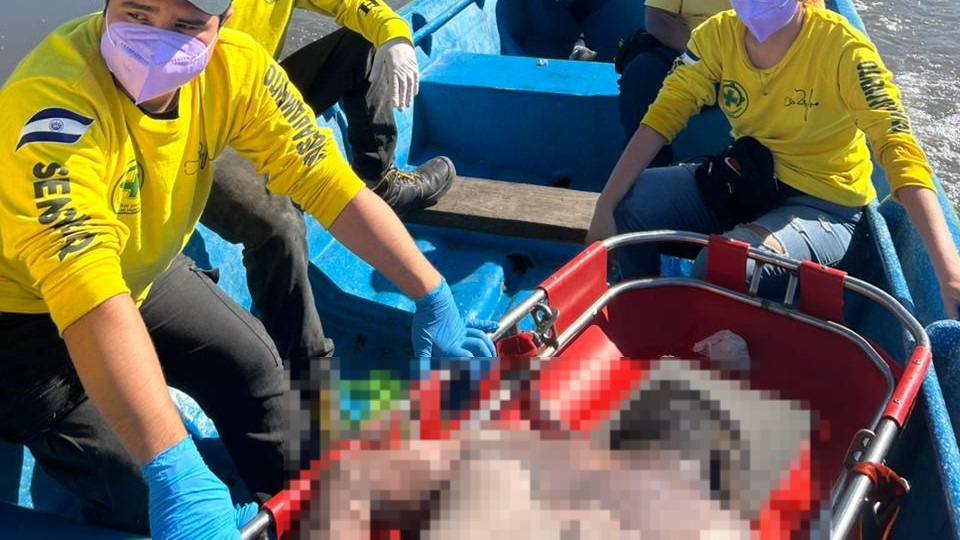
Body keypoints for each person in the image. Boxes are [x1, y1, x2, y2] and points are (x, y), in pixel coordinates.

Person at [0, 1, 494, 539]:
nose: (155, 41)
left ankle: (295, 512)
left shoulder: (235, 68)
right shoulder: (52, 110)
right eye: (138, 14)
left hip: (138, 271)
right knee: (139, 491)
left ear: (225, 22)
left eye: (186, 25)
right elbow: (86, 291)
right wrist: (173, 468)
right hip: (24, 317)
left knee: (255, 365)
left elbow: (329, 183)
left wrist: (432, 294)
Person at [586, 0, 960, 319]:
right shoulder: (717, 35)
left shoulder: (844, 49)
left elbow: (897, 146)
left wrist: (949, 273)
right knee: (629, 203)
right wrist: (605, 206)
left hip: (826, 206)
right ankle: (645, 317)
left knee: (720, 266)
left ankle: (716, 346)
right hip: (752, 180)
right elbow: (662, 117)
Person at [202, 0, 455, 369]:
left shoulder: (247, 64)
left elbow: (350, 4)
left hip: (249, 86)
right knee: (279, 223)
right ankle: (304, 375)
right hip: (192, 119)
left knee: (363, 39)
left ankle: (379, 181)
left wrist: (393, 35)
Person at [617, 0, 730, 167]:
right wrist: (704, 55)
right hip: (690, 51)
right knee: (641, 73)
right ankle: (652, 169)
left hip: (750, 55)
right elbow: (657, 19)